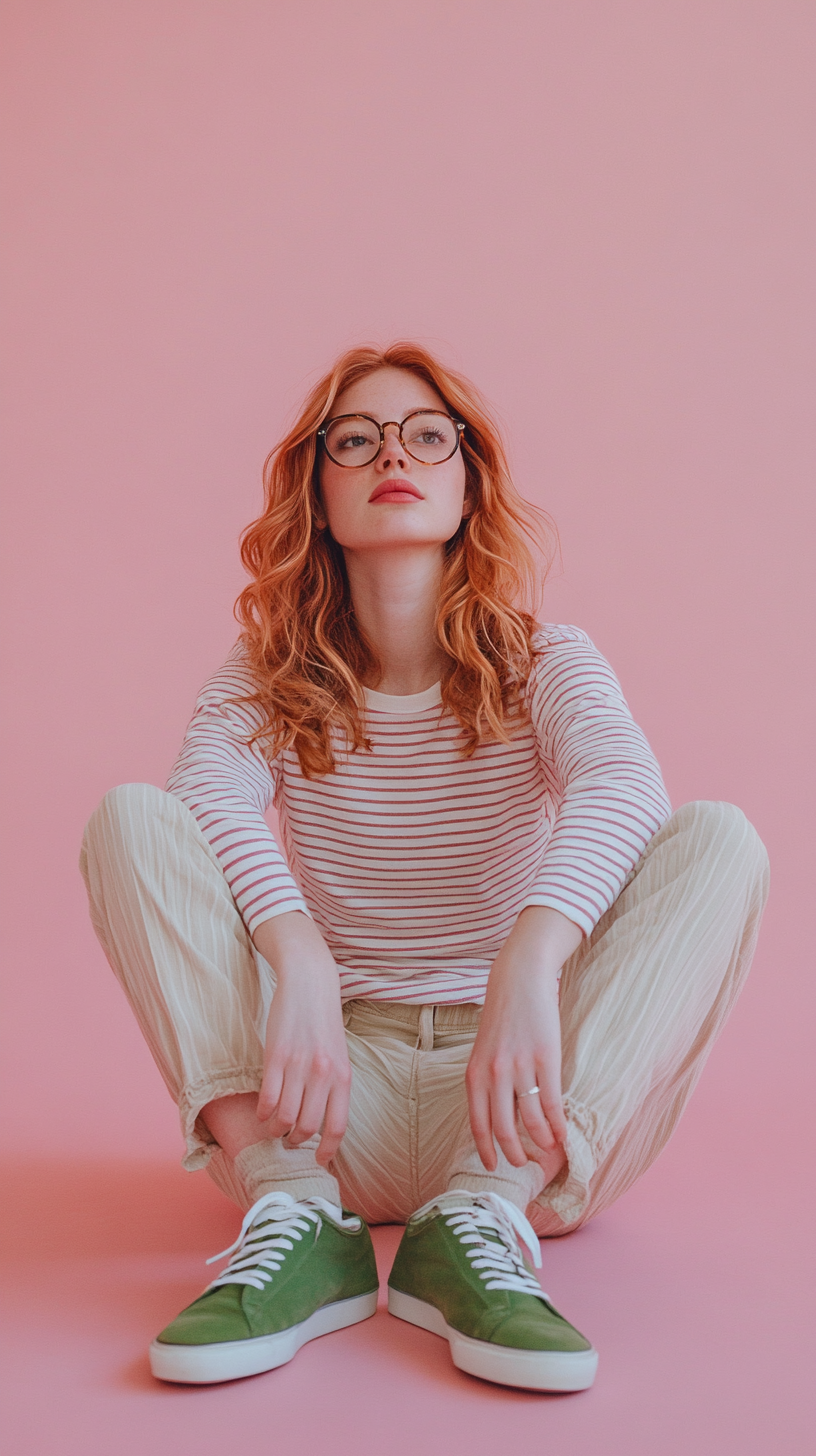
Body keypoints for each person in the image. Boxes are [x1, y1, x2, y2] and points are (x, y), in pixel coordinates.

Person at [81, 343, 769, 1392]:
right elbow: (204, 794)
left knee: (720, 839)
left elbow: (626, 788)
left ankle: (478, 1225)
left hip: (517, 1109)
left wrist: (529, 963)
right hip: (316, 1105)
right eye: (355, 440)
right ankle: (299, 1216)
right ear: (317, 490)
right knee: (130, 818)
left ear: (465, 481)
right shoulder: (271, 675)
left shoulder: (546, 660)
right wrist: (297, 951)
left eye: (425, 436)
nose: (391, 454)